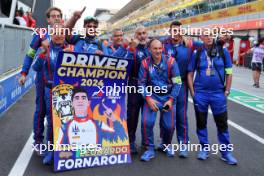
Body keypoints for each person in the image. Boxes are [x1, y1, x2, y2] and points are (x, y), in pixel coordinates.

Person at [187, 31, 237, 165]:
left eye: (211, 35)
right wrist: (193, 93)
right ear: (201, 38)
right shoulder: (197, 53)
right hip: (201, 94)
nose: (209, 37)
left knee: (222, 123)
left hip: (218, 94)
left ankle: (226, 153)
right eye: (206, 35)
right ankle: (204, 149)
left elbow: (229, 72)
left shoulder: (223, 51)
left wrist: (227, 90)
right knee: (201, 122)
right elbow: (190, 74)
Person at [18, 7, 63, 155]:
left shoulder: (66, 33)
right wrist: (24, 73)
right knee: (41, 110)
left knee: (60, 113)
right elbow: (30, 54)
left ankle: (56, 143)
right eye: (53, 16)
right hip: (43, 79)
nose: (56, 18)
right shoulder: (40, 33)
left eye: (58, 16)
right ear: (48, 20)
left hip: (62, 81)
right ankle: (38, 141)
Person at [33, 23, 73, 165]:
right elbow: (36, 67)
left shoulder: (71, 49)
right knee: (52, 121)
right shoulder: (45, 49)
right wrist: (43, 53)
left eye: (62, 32)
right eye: (56, 32)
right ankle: (51, 149)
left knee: (66, 120)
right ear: (52, 34)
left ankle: (66, 148)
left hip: (68, 91)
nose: (59, 35)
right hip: (50, 90)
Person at [138, 39, 182, 161]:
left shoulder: (171, 62)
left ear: (162, 48)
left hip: (168, 98)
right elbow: (141, 84)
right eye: (154, 48)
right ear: (149, 49)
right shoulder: (145, 63)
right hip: (152, 97)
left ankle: (165, 144)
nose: (157, 51)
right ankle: (149, 149)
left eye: (159, 48)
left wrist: (171, 99)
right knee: (147, 123)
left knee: (169, 126)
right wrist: (148, 98)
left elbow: (178, 83)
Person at [162, 21, 192, 158]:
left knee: (181, 116)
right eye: (174, 30)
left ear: (182, 31)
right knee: (165, 114)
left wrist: (221, 40)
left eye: (178, 30)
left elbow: (206, 44)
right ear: (170, 31)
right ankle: (165, 143)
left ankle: (183, 145)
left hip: (182, 85)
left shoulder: (189, 44)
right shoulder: (163, 44)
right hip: (166, 85)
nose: (176, 32)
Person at [127, 25, 150, 154]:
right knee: (132, 115)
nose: (142, 36)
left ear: (147, 34)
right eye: (139, 34)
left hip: (148, 85)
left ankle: (146, 143)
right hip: (134, 84)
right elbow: (125, 65)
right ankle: (130, 141)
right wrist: (131, 49)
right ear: (135, 36)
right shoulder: (132, 49)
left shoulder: (151, 48)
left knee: (147, 117)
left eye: (144, 33)